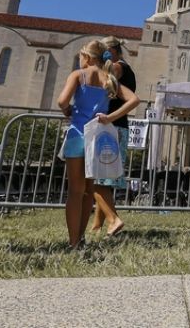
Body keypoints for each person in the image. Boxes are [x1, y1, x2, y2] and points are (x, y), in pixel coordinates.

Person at [57, 40, 139, 248]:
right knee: (88, 192)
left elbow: (62, 101)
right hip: (97, 137)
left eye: (80, 56)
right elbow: (134, 100)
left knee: (75, 191)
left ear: (88, 57)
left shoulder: (78, 75)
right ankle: (82, 238)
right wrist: (110, 117)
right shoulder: (108, 78)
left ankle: (73, 240)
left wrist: (68, 111)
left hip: (77, 135)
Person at [90, 36, 136, 237]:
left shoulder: (116, 68)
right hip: (117, 126)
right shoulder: (127, 69)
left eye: (103, 51)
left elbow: (105, 83)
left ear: (111, 51)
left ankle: (113, 220)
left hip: (110, 127)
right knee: (104, 179)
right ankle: (97, 226)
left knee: (95, 179)